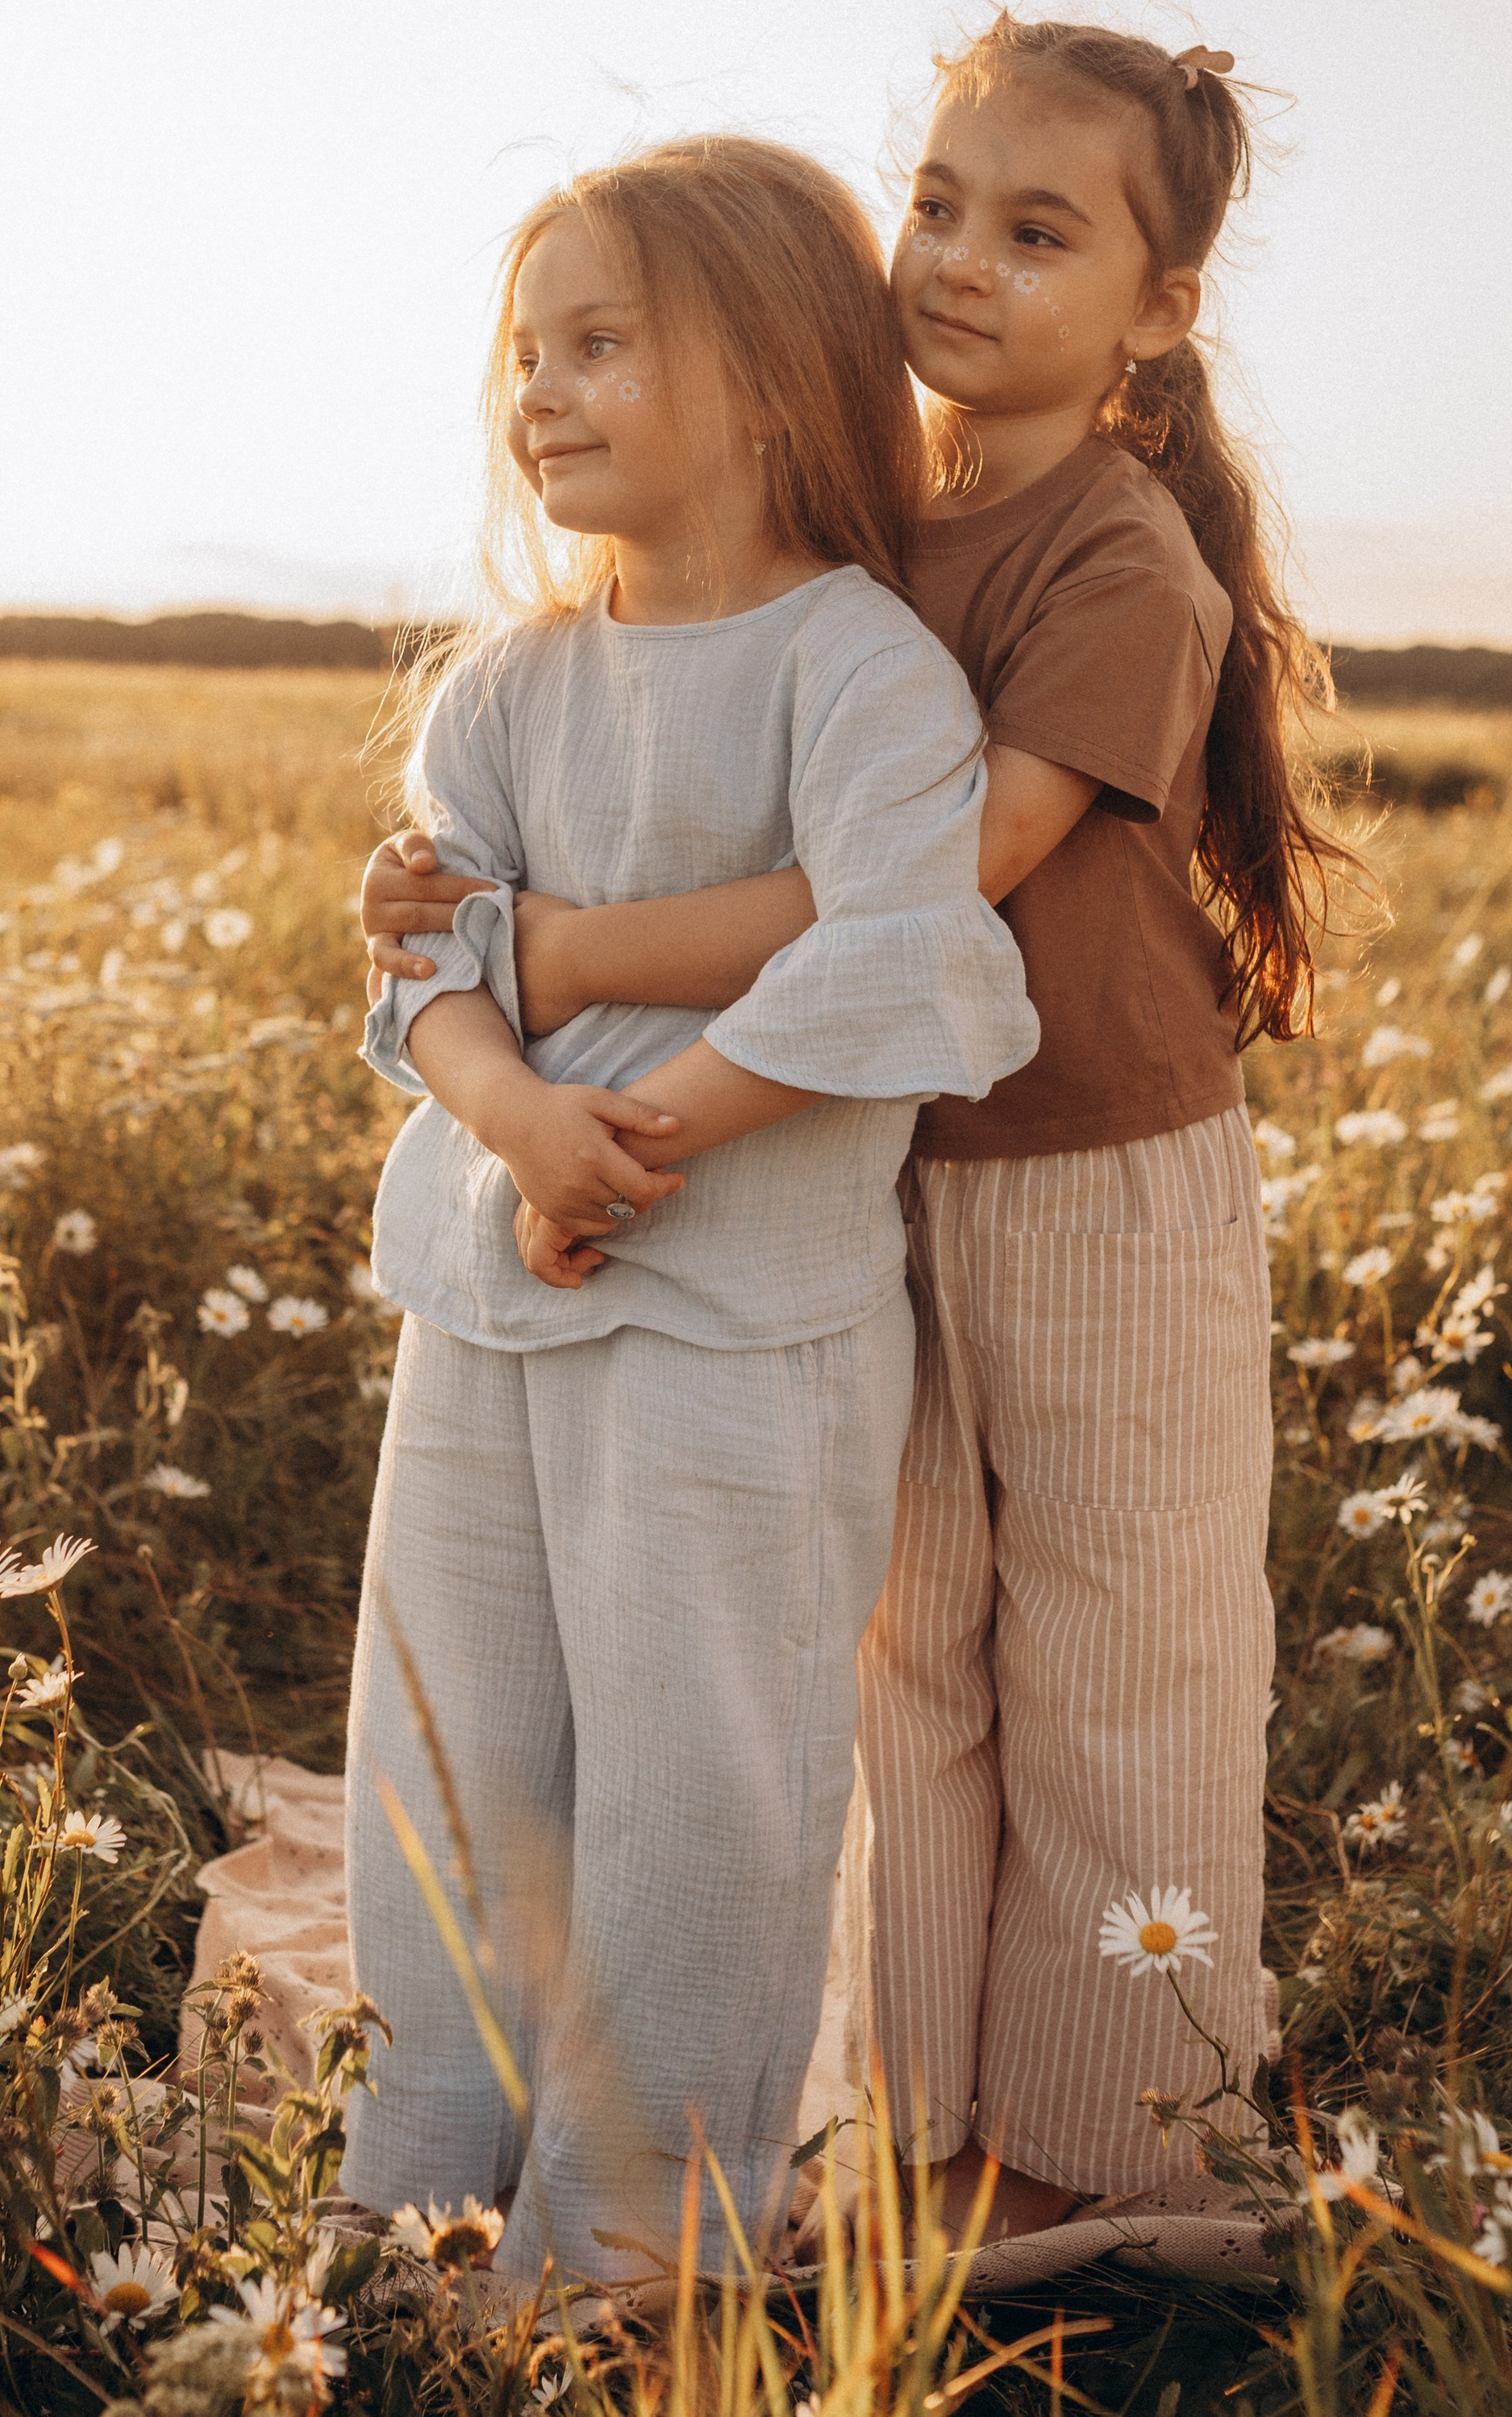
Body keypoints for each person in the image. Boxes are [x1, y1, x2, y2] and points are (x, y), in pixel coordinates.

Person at [364, 20, 1352, 2241]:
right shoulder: (871, 522)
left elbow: (929, 884)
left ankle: (1102, 2136)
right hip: (874, 1162)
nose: (964, 262)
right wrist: (479, 962)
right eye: (936, 205)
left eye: (1040, 231)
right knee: (905, 1654)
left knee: (1117, 1649)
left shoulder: (1114, 557)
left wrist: (557, 956)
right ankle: (909, 2117)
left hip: (1092, 1165)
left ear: (1158, 308)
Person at [342, 135, 1038, 2287]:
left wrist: (640, 1138)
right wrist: (519, 1131)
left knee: (698, 1785)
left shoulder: (858, 667)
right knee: (446, 1754)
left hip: (741, 1311)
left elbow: (896, 949)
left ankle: (632, 2252)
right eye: (526, 352)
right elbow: (429, 969)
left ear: (763, 380)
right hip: (493, 1287)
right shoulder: (503, 688)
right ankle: (423, 2209)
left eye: (601, 344)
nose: (540, 391)